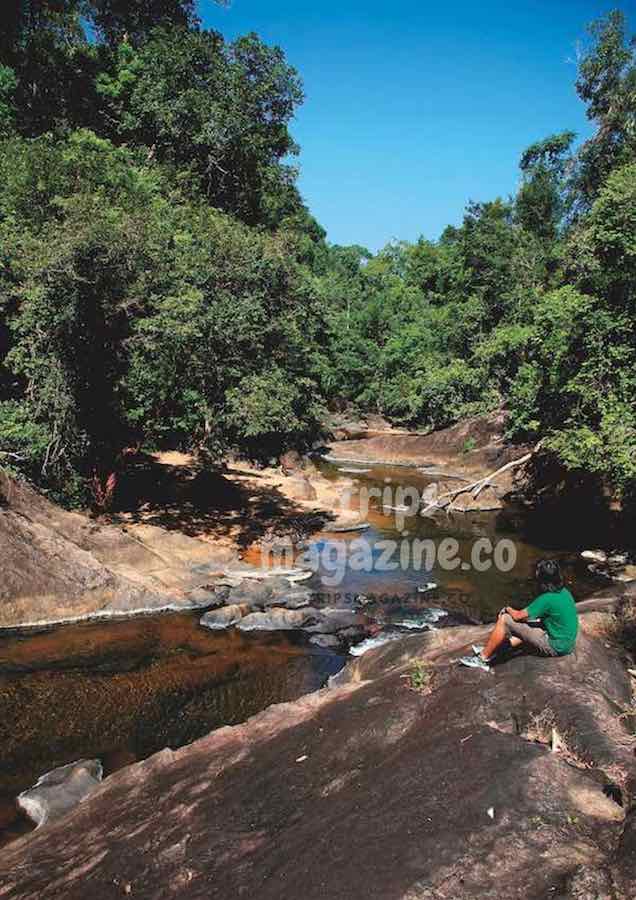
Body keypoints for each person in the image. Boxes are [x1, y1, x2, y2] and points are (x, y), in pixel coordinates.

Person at [460, 559, 579, 672]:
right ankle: (495, 649)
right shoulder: (565, 592)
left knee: (505, 619)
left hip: (555, 646)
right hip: (566, 644)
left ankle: (482, 658)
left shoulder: (546, 599)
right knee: (527, 625)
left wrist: (507, 609)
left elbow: (518, 616)